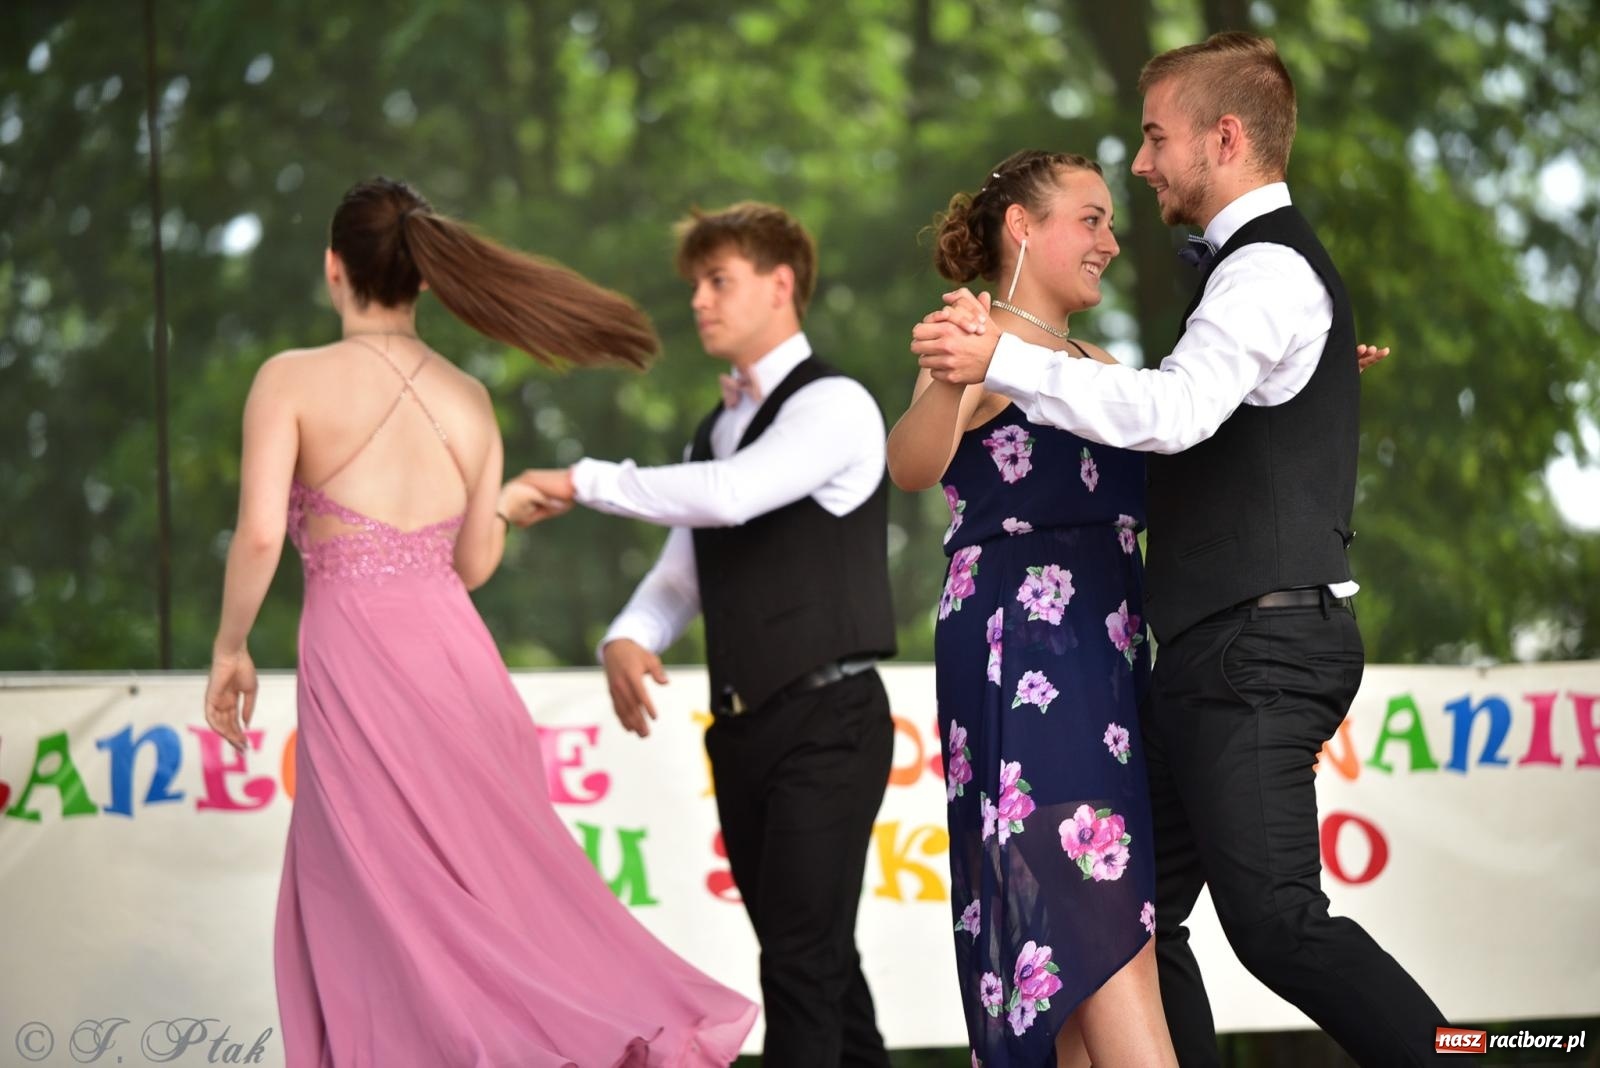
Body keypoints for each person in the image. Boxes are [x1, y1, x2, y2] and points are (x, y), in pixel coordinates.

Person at [910, 33, 1454, 1067]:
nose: (1144, 162)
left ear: (1226, 135)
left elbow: (1170, 411)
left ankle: (1475, 1055)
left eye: (1156, 138)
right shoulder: (1256, 282)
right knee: (1119, 920)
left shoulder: (1262, 275)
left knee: (1278, 927)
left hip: (1253, 654)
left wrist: (1010, 358)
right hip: (1205, 662)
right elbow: (1198, 429)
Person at [202, 176, 757, 1067]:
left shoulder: (290, 380)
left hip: (361, 668)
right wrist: (494, 505)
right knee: (495, 911)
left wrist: (231, 647)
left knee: (377, 915)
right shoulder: (467, 397)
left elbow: (264, 531)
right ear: (423, 279)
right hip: (461, 670)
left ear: (333, 268)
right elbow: (471, 566)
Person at [512, 201, 898, 1068]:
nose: (699, 302)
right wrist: (627, 632)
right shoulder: (717, 425)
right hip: (747, 731)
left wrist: (579, 479)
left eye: (718, 281)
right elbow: (685, 571)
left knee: (801, 965)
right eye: (695, 285)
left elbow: (729, 496)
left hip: (830, 722)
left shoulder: (834, 405)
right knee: (819, 966)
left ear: (781, 283)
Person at [888, 151, 1177, 1068]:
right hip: (1024, 650)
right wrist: (945, 378)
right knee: (1090, 908)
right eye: (1090, 218)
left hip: (1112, 651)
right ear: (1023, 226)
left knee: (1085, 922)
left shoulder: (1103, 366)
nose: (1111, 240)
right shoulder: (975, 337)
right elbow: (909, 465)